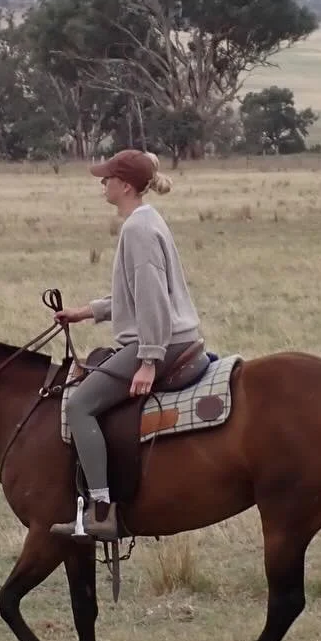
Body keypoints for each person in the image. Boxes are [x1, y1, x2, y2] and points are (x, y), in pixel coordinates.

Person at [50, 148, 205, 542]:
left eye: (107, 178)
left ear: (125, 185)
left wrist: (149, 360)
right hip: (169, 337)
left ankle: (101, 510)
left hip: (160, 343)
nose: (102, 183)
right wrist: (85, 312)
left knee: (79, 405)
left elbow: (152, 297)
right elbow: (133, 294)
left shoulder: (136, 229)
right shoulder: (147, 220)